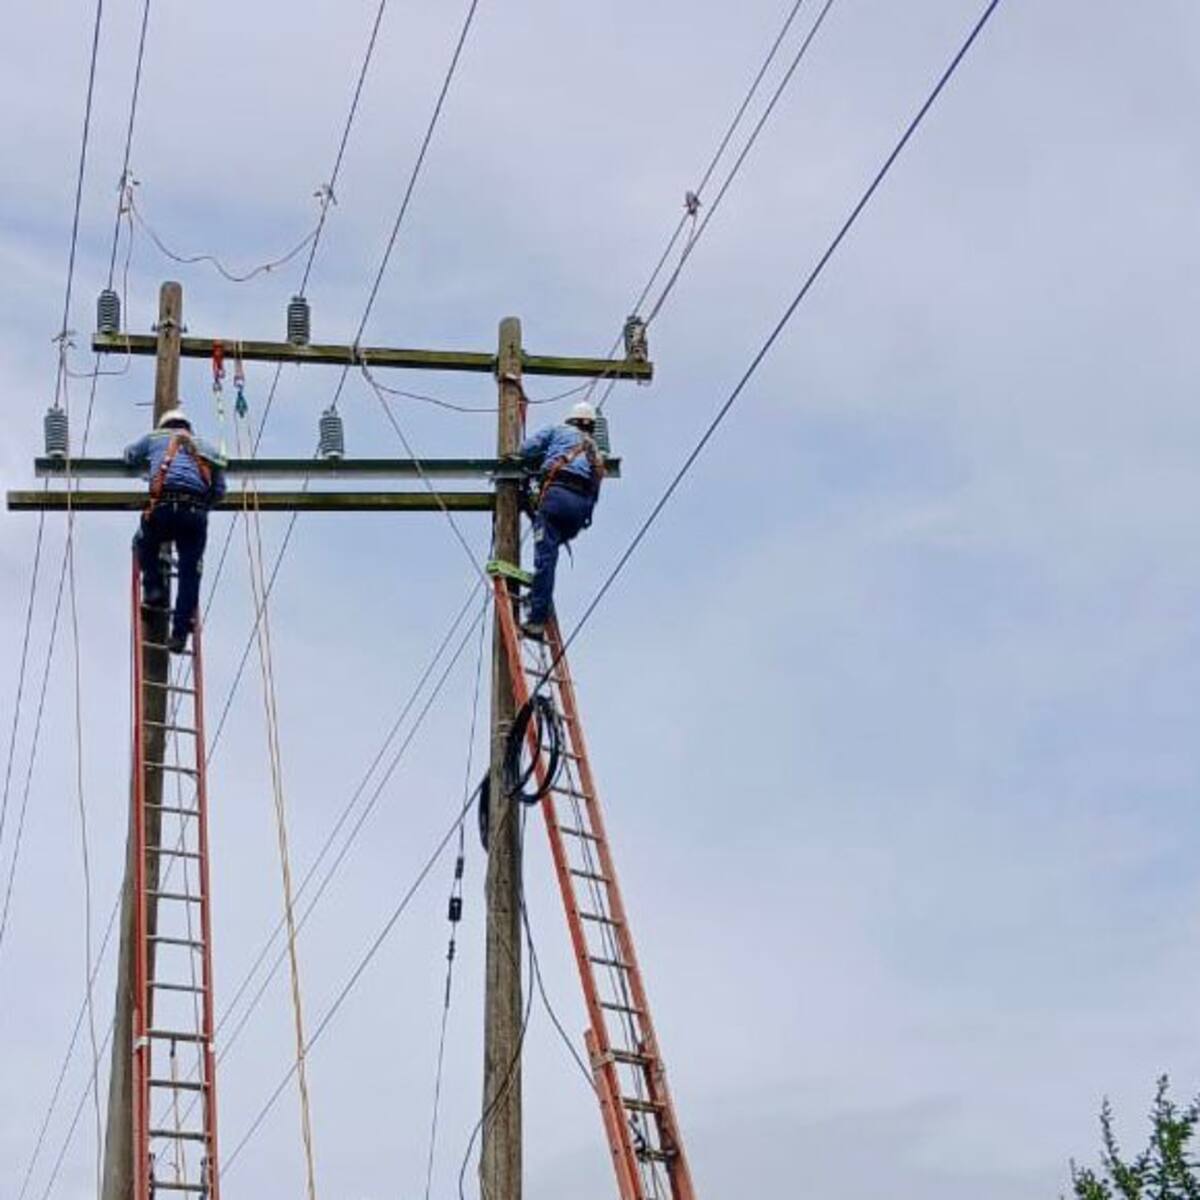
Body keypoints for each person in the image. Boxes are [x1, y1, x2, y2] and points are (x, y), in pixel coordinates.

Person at [125, 408, 227, 654]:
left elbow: (129, 455)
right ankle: (180, 634)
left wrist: (146, 465)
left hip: (164, 508)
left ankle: (154, 590)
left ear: (165, 424)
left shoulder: (155, 438)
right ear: (188, 427)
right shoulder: (207, 448)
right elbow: (220, 490)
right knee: (190, 573)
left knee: (143, 542)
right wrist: (203, 506)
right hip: (195, 514)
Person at [517, 400, 605, 639]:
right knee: (550, 549)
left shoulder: (558, 431)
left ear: (571, 420)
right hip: (579, 513)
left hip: (557, 499)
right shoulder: (594, 451)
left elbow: (525, 449)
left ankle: (537, 619)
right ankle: (538, 594)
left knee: (545, 558)